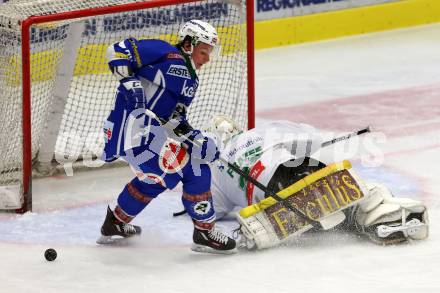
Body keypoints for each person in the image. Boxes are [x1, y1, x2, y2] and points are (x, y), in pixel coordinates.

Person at [97, 20, 237, 254]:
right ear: (188, 43)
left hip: (151, 136)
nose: (207, 59)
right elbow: (117, 50)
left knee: (156, 178)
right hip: (131, 130)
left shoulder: (192, 81)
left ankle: (116, 222)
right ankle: (204, 231)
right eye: (204, 52)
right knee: (191, 168)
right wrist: (129, 81)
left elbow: (174, 119)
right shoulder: (164, 52)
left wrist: (195, 140)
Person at [205, 116, 429, 250]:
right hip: (302, 169)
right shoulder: (261, 131)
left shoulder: (217, 167)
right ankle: (365, 213)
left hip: (269, 196)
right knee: (364, 194)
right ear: (236, 127)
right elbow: (310, 138)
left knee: (315, 208)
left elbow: (211, 210)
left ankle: (313, 206)